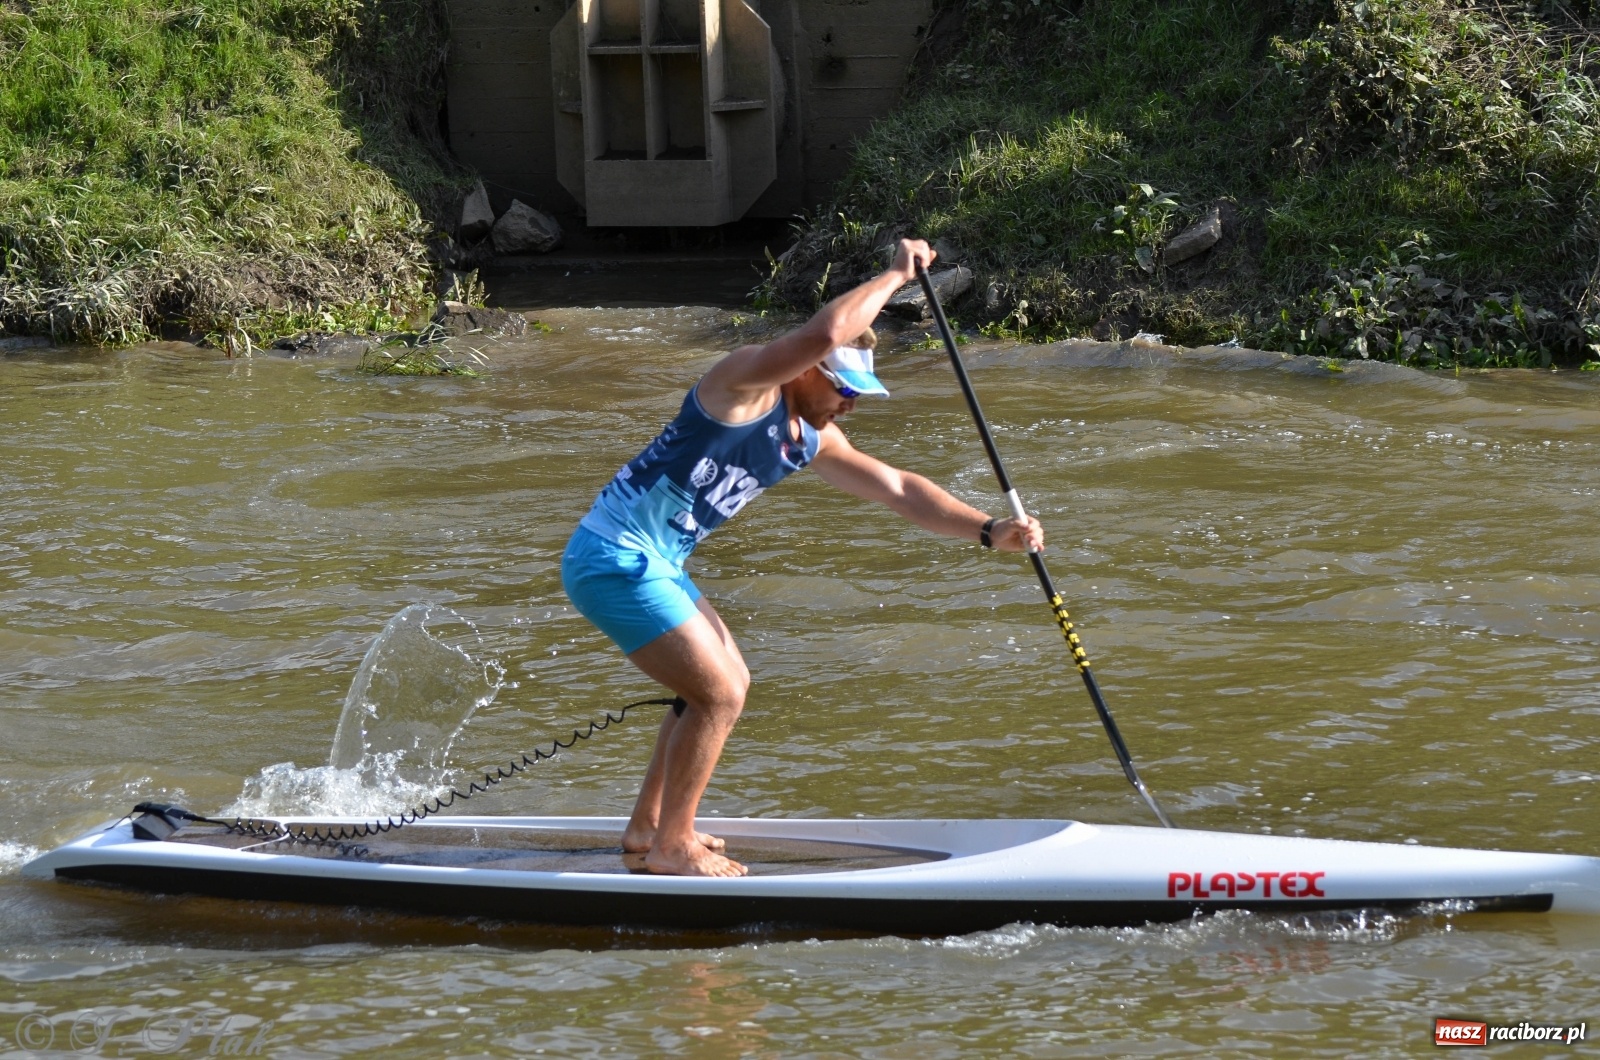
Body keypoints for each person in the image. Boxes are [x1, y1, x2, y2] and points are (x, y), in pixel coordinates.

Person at [561, 239, 1045, 877]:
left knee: (717, 683)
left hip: (659, 562)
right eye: (843, 386)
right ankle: (672, 846)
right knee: (720, 694)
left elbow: (900, 488)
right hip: (613, 555)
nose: (850, 403)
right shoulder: (741, 387)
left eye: (860, 393)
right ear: (805, 369)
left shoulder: (810, 438)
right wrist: (898, 275)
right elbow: (826, 330)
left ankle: (650, 825)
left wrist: (988, 530)